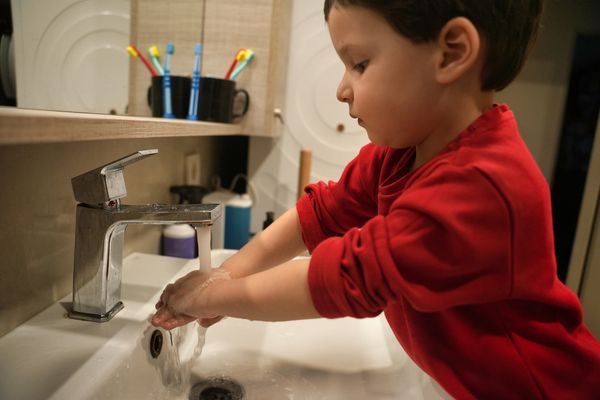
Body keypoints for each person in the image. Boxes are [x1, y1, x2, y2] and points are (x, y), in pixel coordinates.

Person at [152, 0, 600, 397]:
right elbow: (319, 215)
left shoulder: (484, 185)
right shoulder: (399, 157)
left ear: (452, 52)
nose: (341, 90)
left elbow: (346, 278)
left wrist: (213, 299)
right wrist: (221, 280)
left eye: (360, 64)